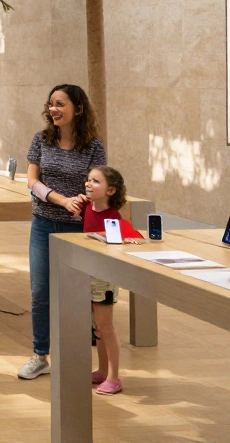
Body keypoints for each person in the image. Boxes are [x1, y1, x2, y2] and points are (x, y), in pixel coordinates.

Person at [18, 84, 106, 381]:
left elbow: (99, 183)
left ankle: (76, 357)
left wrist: (87, 196)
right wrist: (62, 199)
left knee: (78, 295)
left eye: (61, 104)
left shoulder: (94, 146)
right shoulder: (41, 139)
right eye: (51, 104)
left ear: (78, 109)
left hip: (79, 229)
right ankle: (40, 354)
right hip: (44, 223)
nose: (53, 109)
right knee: (40, 293)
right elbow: (32, 180)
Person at [80, 165, 143, 395]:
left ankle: (114, 377)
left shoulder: (113, 217)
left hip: (104, 279)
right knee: (98, 329)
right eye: (88, 180)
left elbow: (133, 236)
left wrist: (129, 240)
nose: (89, 184)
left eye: (96, 181)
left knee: (106, 327)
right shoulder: (87, 206)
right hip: (88, 273)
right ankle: (102, 370)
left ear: (111, 190)